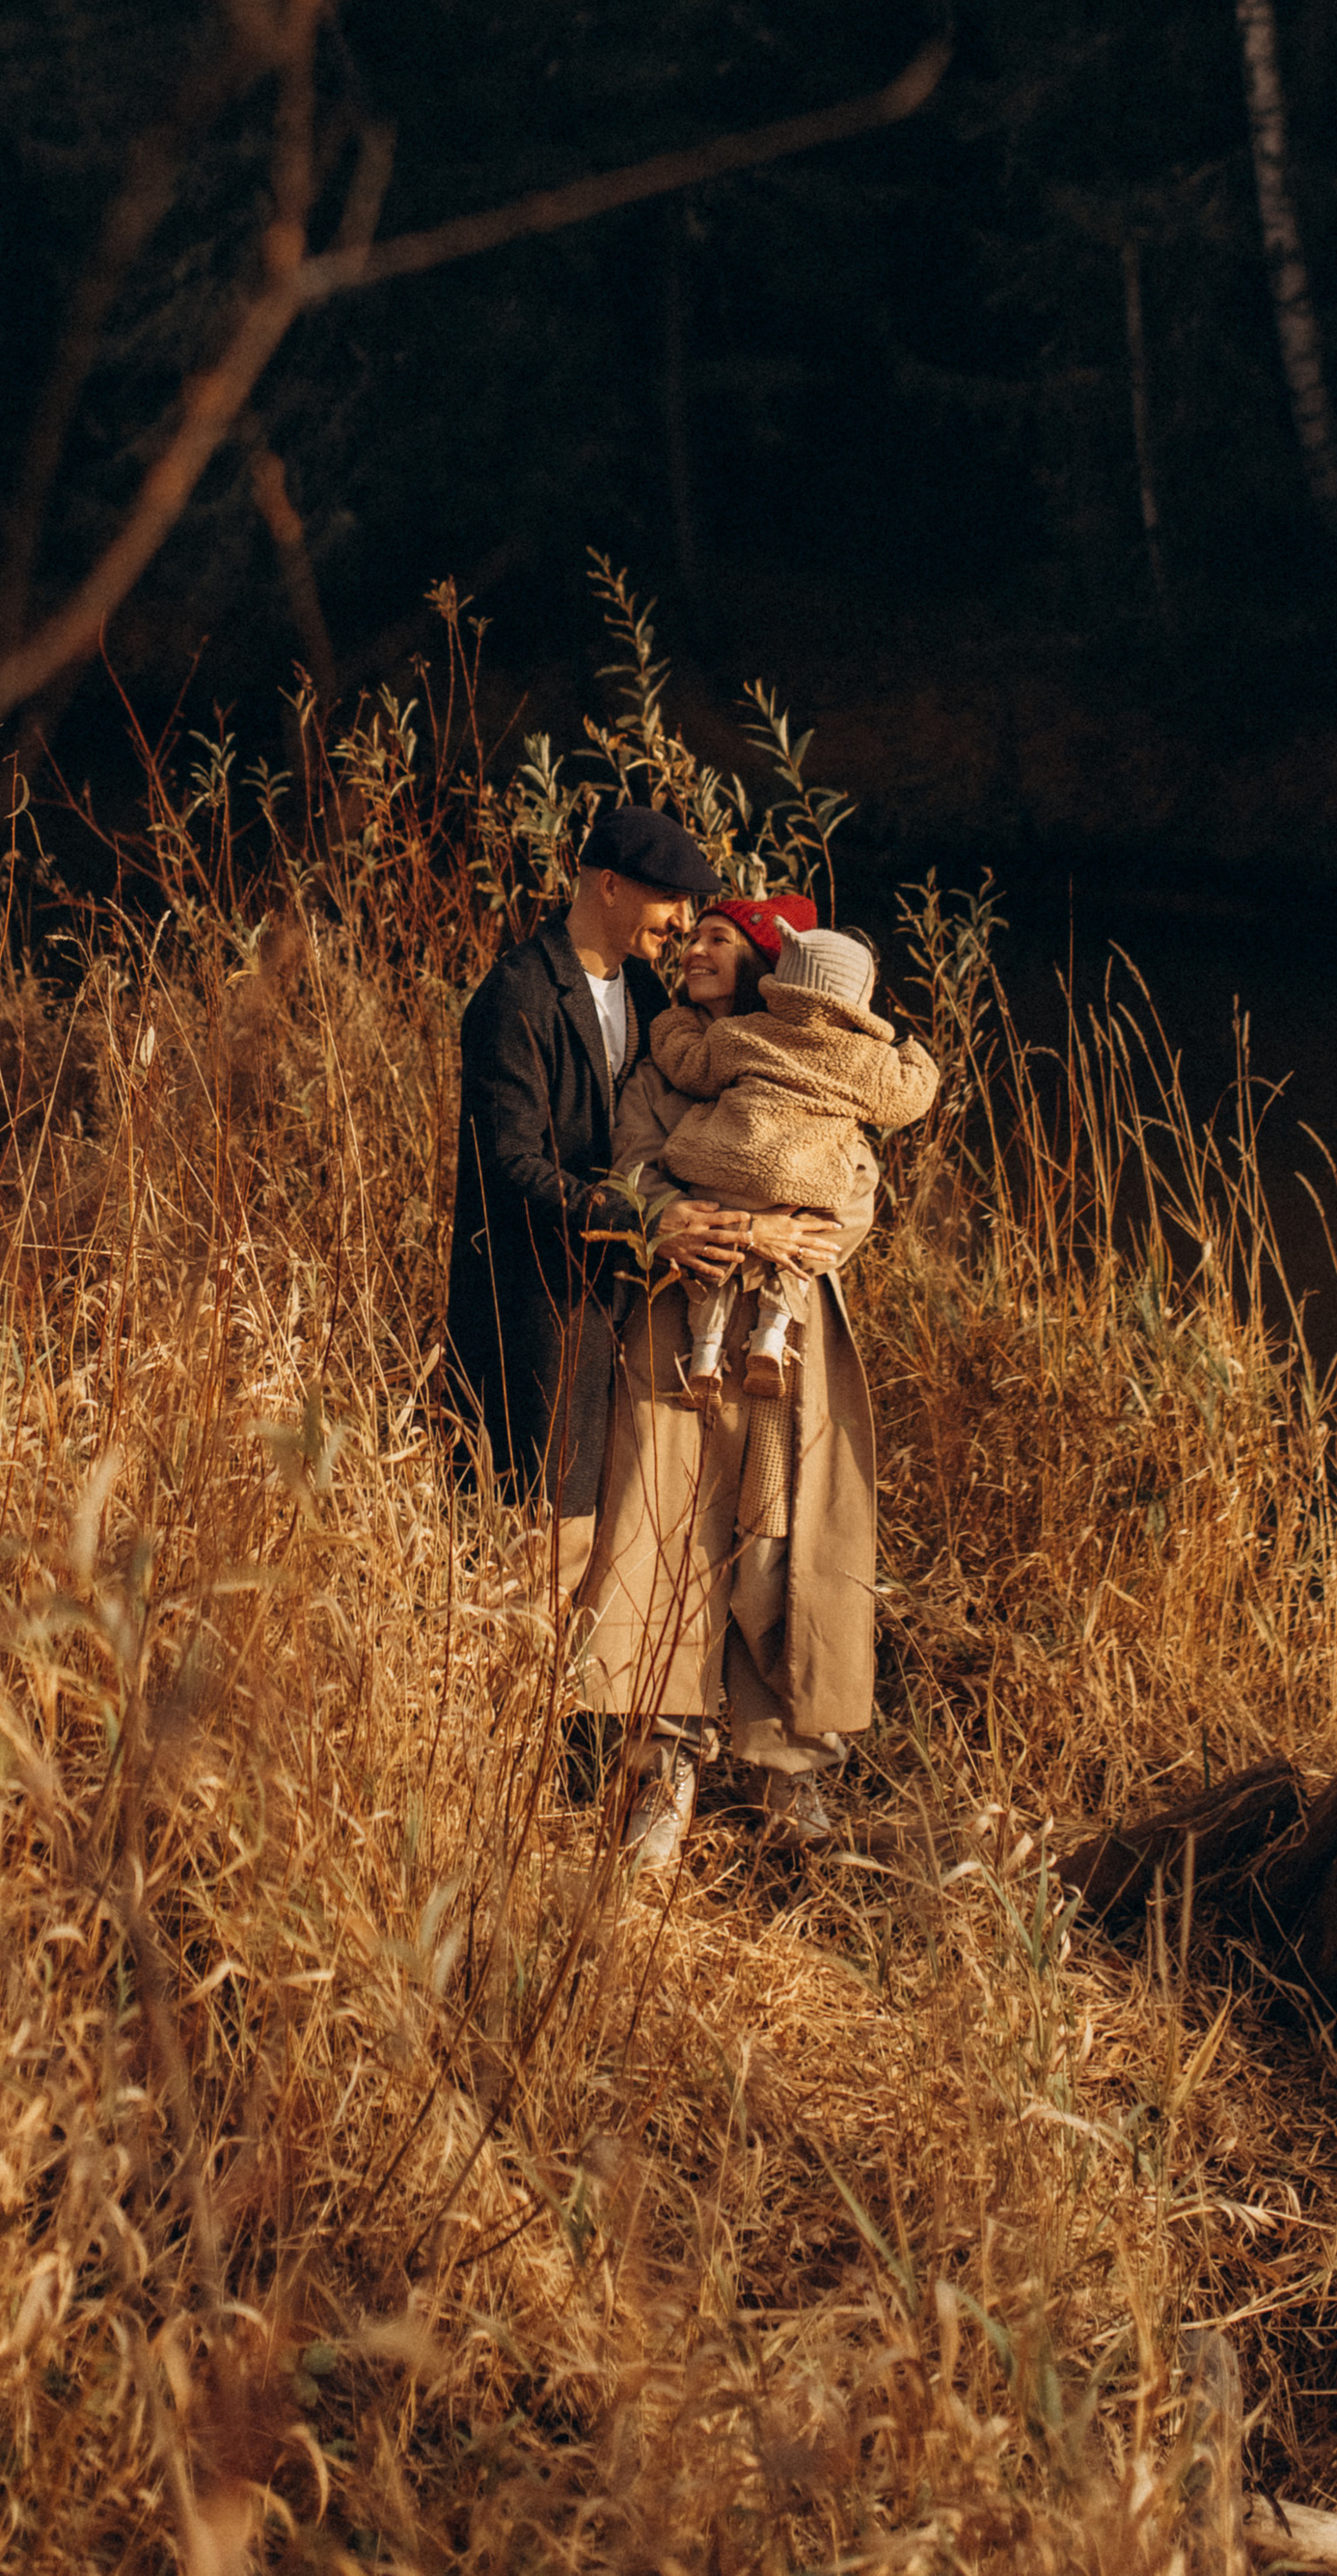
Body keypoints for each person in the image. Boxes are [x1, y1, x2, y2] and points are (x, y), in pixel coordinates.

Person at [575, 894, 903, 1873]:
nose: (692, 951)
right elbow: (635, 1174)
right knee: (663, 1536)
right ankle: (661, 1770)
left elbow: (851, 1193)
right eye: (693, 937)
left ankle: (788, 1773)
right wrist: (743, 1226)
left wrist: (793, 1229)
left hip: (788, 1341)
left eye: (720, 940)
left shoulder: (818, 1069)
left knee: (780, 1551)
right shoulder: (661, 1072)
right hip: (676, 1327)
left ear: (767, 967)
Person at [446, 802, 741, 1576]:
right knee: (540, 1544)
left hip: (619, 1311)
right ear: (609, 884)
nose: (683, 923)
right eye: (669, 898)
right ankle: (507, 1662)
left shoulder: (644, 992)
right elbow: (509, 1166)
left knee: (605, 1542)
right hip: (536, 1313)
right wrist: (645, 1223)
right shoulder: (516, 994)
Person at [651, 924, 939, 1404]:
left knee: (713, 1274)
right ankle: (771, 1336)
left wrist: (673, 1023)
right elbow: (909, 1096)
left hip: (720, 1174)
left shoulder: (741, 1034)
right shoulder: (867, 1060)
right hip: (802, 1189)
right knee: (801, 1247)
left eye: (718, 939)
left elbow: (690, 1064)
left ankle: (704, 1355)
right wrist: (912, 1051)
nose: (696, 949)